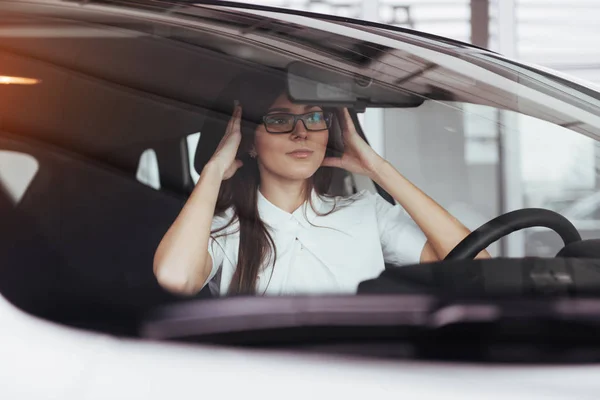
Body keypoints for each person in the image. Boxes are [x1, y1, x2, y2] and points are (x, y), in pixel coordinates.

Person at [153, 72, 489, 297]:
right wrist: (213, 170)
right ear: (250, 143)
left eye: (314, 117)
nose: (301, 132)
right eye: (280, 119)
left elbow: (477, 266)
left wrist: (379, 169)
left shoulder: (366, 213)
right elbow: (176, 277)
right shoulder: (225, 229)